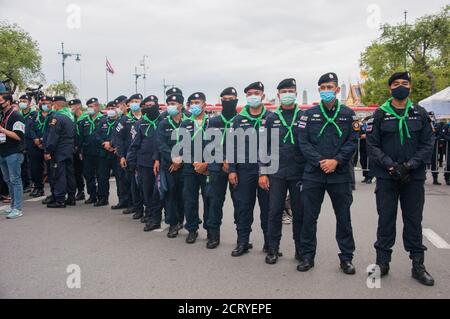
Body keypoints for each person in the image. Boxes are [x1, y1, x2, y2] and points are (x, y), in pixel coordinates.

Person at [366, 71, 435, 286]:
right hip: (386, 177)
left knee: (413, 221)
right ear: (390, 89)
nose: (400, 86)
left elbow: (428, 144)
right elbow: (372, 145)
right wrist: (391, 165)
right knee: (385, 220)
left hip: (413, 177)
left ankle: (418, 265)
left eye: (404, 83)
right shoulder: (379, 115)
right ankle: (382, 262)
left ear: (410, 87)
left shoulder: (420, 114)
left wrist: (409, 166)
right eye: (395, 84)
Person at [297, 73, 358, 274]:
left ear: (337, 89)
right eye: (322, 88)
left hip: (339, 174)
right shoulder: (308, 114)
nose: (326, 91)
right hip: (314, 173)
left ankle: (346, 258)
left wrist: (336, 161)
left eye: (329, 87)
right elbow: (303, 142)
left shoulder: (349, 115)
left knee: (343, 218)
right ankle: (307, 256)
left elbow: (352, 141)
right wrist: (320, 162)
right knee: (309, 218)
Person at [259, 78, 306, 264]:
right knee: (274, 211)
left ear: (295, 93)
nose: (287, 94)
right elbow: (263, 147)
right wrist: (262, 173)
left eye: (290, 91)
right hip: (275, 172)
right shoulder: (270, 118)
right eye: (284, 91)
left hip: (299, 172)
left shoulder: (304, 117)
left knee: (300, 212)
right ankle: (273, 249)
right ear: (278, 95)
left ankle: (300, 250)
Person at [228, 81, 271, 257]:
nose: (253, 96)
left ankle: (270, 243)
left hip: (266, 171)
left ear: (263, 95)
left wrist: (266, 171)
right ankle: (243, 242)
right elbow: (231, 146)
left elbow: (273, 146)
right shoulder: (237, 120)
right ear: (246, 97)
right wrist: (231, 169)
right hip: (243, 170)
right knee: (243, 208)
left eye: (257, 92)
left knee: (268, 208)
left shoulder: (271, 118)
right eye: (250, 93)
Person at [205, 87, 239, 249]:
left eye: (231, 98)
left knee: (240, 203)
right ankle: (213, 235)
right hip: (216, 168)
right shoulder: (213, 121)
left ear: (237, 100)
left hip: (236, 168)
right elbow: (209, 146)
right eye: (224, 99)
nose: (228, 101)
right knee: (215, 202)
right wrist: (222, 160)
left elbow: (244, 146)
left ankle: (242, 237)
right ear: (221, 101)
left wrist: (231, 161)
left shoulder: (241, 120)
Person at [179, 92, 210, 244]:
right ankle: (192, 229)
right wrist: (193, 162)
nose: (195, 105)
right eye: (192, 103)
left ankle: (211, 230)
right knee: (189, 199)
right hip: (190, 168)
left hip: (208, 168)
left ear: (204, 104)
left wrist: (206, 163)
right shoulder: (185, 123)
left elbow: (217, 145)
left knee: (209, 199)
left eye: (198, 102)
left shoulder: (211, 122)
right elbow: (181, 145)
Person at [127, 95, 162, 227]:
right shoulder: (139, 123)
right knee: (146, 190)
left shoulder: (164, 120)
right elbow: (134, 144)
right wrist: (132, 162)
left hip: (160, 162)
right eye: (146, 105)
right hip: (144, 162)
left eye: (152, 105)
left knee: (158, 192)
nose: (149, 107)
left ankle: (156, 218)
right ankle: (150, 213)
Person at [156, 94, 186, 238]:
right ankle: (173, 224)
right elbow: (161, 145)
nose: (171, 106)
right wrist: (174, 159)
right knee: (170, 195)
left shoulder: (188, 121)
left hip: (185, 165)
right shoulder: (163, 123)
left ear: (181, 105)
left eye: (173, 103)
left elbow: (193, 143)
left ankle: (182, 220)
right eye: (169, 103)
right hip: (169, 165)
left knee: (184, 195)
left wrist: (181, 160)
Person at [43, 96, 76, 208]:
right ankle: (71, 197)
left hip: (60, 150)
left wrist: (48, 150)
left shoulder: (57, 117)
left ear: (56, 104)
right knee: (69, 174)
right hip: (69, 149)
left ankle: (60, 199)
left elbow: (53, 136)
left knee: (59, 174)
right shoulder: (69, 116)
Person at [116, 94, 144, 219]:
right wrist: (121, 156)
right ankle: (137, 207)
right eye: (132, 101)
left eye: (137, 101)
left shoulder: (147, 118)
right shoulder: (125, 119)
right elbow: (119, 139)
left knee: (146, 185)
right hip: (130, 157)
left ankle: (149, 208)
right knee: (133, 183)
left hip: (144, 157)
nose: (134, 103)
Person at [0, 81, 25, 219]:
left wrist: (3, 130)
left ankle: (17, 208)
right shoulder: (2, 115)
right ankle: (12, 205)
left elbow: (18, 136)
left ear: (8, 101)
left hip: (13, 153)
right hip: (2, 152)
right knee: (7, 180)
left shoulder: (16, 116)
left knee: (15, 180)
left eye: (1, 100)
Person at [77, 98, 104, 205]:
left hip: (100, 153)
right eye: (89, 107)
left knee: (101, 176)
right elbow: (80, 137)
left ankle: (102, 197)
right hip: (87, 152)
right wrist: (80, 151)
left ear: (97, 107)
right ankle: (92, 195)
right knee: (88, 175)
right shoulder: (84, 121)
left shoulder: (104, 119)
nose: (90, 109)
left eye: (92, 106)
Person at [93, 101, 120, 207]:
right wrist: (104, 144)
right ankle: (103, 198)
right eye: (108, 108)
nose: (110, 110)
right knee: (102, 177)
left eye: (113, 108)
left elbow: (121, 136)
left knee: (120, 179)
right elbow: (96, 135)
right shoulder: (102, 121)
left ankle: (122, 200)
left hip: (116, 153)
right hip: (104, 153)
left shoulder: (120, 121)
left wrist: (112, 144)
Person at [110, 95, 131, 210]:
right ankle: (123, 200)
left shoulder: (130, 118)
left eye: (118, 106)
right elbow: (116, 136)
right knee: (121, 179)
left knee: (129, 180)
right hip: (120, 153)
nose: (117, 108)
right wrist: (113, 145)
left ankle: (131, 202)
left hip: (130, 153)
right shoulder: (120, 119)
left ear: (124, 105)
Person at [70, 98, 86, 200]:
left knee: (88, 172)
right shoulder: (72, 118)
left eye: (73, 106)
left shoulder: (85, 117)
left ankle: (94, 193)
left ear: (78, 106)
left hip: (84, 148)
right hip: (73, 148)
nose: (71, 108)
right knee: (76, 171)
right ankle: (80, 191)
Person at [18, 94, 35, 194]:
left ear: (29, 103)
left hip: (31, 142)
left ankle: (34, 184)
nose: (22, 103)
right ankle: (25, 183)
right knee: (22, 164)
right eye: (21, 101)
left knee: (32, 164)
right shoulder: (18, 114)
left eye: (24, 101)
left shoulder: (34, 114)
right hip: (20, 142)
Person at [360, 116, 373, 184]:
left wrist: (366, 136)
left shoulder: (371, 125)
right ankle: (365, 176)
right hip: (362, 146)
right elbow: (358, 134)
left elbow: (373, 134)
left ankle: (370, 177)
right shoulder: (361, 126)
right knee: (363, 161)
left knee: (370, 162)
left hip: (370, 145)